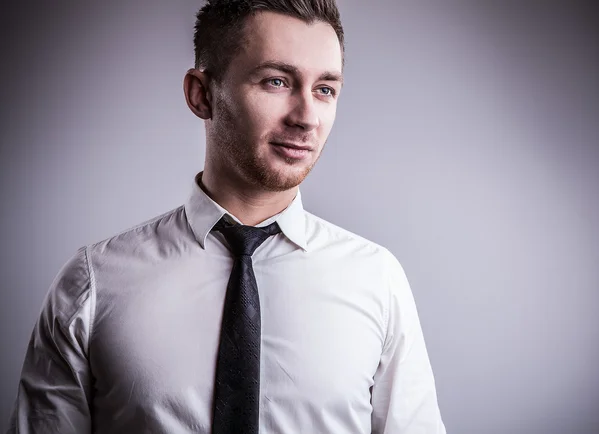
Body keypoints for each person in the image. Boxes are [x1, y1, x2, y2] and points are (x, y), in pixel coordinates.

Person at [7, 0, 446, 433]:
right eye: (276, 81)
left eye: (325, 89)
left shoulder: (376, 280)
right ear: (201, 94)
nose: (306, 117)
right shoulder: (93, 285)